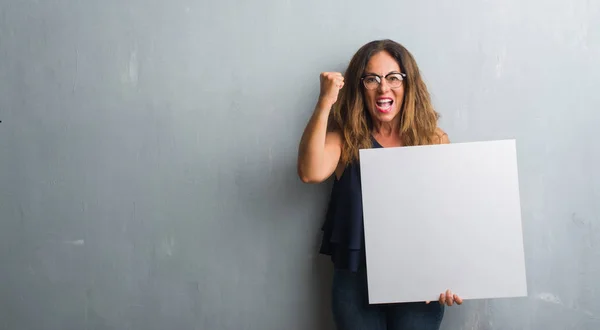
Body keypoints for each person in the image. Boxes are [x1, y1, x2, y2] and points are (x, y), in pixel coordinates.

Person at [296, 39, 463, 330]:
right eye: (371, 79)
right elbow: (309, 172)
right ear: (360, 87)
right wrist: (324, 102)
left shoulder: (433, 139)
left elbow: (449, 216)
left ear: (408, 84)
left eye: (393, 78)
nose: (383, 88)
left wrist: (450, 274)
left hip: (418, 282)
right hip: (355, 281)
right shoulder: (345, 138)